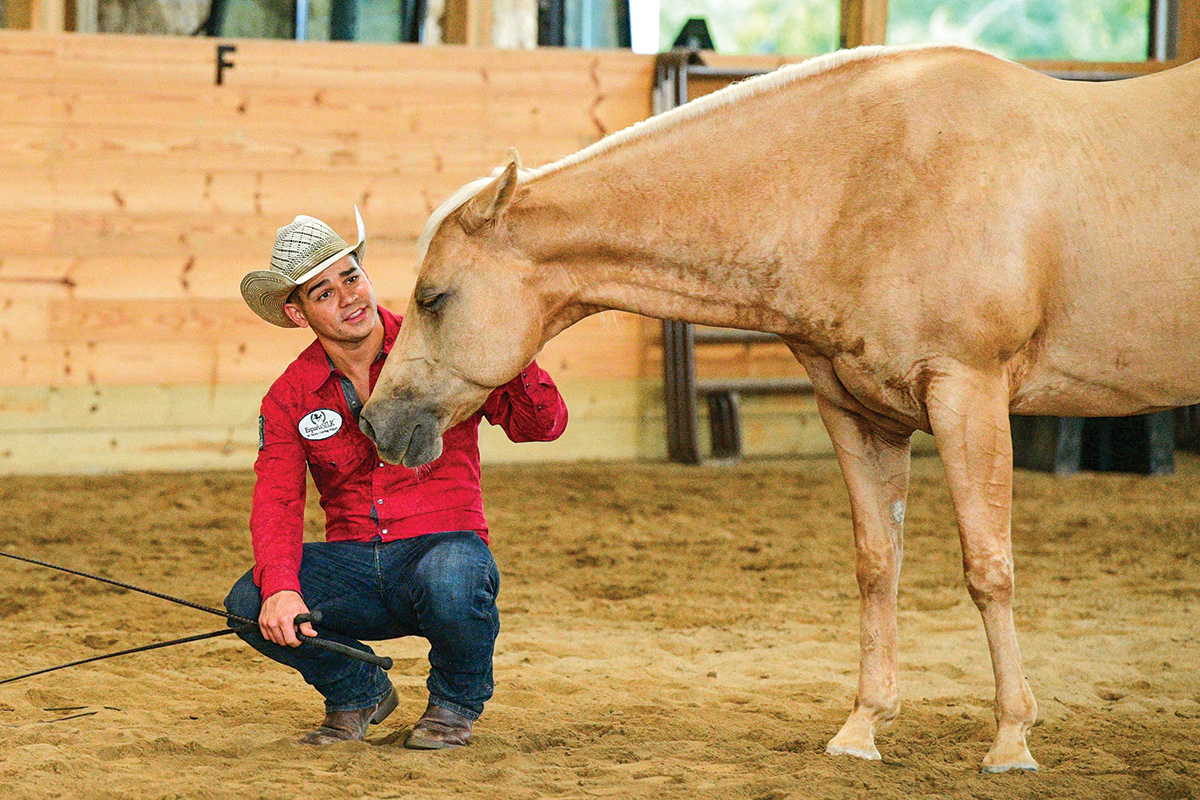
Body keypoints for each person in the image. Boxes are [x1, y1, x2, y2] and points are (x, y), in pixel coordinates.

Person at [225, 208, 568, 749]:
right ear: (297, 314)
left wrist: (512, 350)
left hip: (442, 552)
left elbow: (541, 427)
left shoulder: (442, 349)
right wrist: (283, 590)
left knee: (454, 574)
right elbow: (277, 500)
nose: (349, 298)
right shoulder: (289, 395)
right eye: (323, 293)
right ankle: (358, 691)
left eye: (351, 277)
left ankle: (454, 704)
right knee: (251, 605)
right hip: (357, 565)